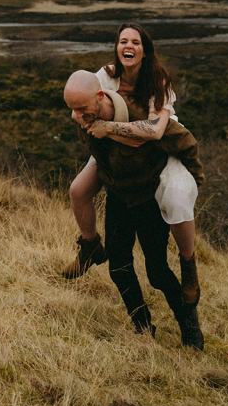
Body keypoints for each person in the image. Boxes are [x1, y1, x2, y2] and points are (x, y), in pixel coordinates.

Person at [63, 69, 204, 348]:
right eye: (73, 110)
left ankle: (189, 323)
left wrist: (194, 175)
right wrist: (84, 116)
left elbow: (181, 138)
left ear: (100, 96)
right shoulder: (84, 113)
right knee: (119, 268)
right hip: (118, 195)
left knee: (158, 272)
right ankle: (142, 327)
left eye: (81, 109)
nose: (77, 116)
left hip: (148, 199)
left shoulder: (136, 112)